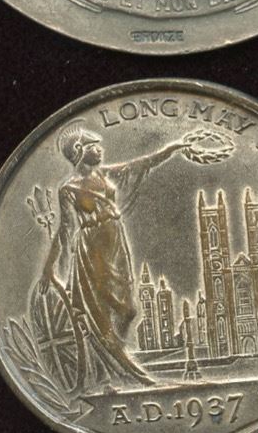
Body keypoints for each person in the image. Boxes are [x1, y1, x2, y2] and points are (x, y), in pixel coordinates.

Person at [38, 126, 193, 389]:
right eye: (93, 146)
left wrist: (173, 147)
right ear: (79, 150)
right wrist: (48, 268)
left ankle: (114, 363)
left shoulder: (106, 174)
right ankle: (121, 371)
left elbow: (142, 163)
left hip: (116, 243)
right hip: (92, 249)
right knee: (101, 312)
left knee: (128, 310)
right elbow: (64, 231)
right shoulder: (69, 189)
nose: (100, 149)